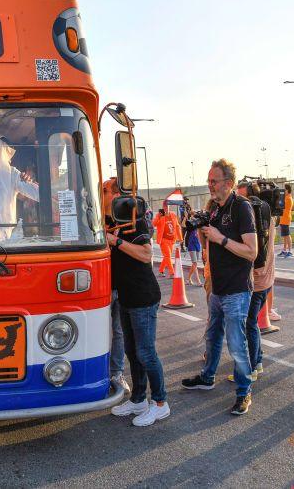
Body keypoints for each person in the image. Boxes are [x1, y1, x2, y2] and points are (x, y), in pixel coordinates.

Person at [182, 159, 258, 416]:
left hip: (237, 289)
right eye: (209, 180)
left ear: (229, 183)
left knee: (237, 344)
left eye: (213, 181)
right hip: (217, 288)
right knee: (213, 336)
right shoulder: (214, 207)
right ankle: (207, 377)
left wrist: (220, 238)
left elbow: (251, 252)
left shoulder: (242, 208)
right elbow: (208, 236)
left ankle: (244, 391)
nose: (210, 185)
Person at [107, 215, 170, 427]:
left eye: (105, 190)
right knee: (132, 352)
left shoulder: (136, 221)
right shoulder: (108, 221)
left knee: (146, 352)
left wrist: (115, 241)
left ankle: (161, 403)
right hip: (126, 298)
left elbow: (145, 254)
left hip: (143, 297)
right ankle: (138, 399)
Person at [232, 181, 273, 382]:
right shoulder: (267, 213)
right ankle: (258, 360)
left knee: (249, 324)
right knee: (252, 323)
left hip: (257, 281)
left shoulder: (254, 217)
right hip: (267, 280)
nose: (239, 203)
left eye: (242, 198)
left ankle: (253, 366)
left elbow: (255, 253)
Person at [101, 177, 129, 397]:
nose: (118, 197)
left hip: (120, 283)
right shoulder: (92, 219)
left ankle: (116, 372)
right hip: (100, 286)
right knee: (99, 331)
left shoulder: (127, 220)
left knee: (119, 331)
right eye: (111, 192)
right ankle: (96, 373)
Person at [153, 207, 179, 277]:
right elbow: (154, 224)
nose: (166, 209)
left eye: (167, 207)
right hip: (163, 240)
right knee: (168, 256)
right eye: (165, 208)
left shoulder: (173, 215)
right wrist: (158, 216)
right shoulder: (160, 216)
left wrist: (180, 237)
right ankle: (172, 273)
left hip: (171, 240)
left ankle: (161, 271)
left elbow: (177, 226)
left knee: (166, 257)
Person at [278, 184, 294, 257]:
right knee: (284, 236)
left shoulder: (288, 198)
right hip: (283, 219)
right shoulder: (285, 197)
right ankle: (284, 250)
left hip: (286, 218)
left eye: (284, 190)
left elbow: (280, 205)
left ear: (287, 190)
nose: (284, 191)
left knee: (287, 235)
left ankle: (290, 251)